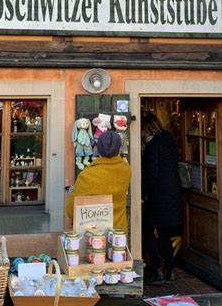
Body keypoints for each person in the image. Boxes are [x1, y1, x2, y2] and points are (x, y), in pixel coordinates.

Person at [141, 114, 182, 284]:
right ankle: (170, 270)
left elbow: (152, 174)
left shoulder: (152, 146)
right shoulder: (169, 141)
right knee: (165, 233)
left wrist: (143, 194)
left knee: (146, 230)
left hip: (158, 195)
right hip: (173, 192)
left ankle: (157, 269)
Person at [66, 130, 131, 233]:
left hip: (92, 236)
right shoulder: (126, 170)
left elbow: (71, 211)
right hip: (117, 234)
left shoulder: (87, 175)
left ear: (97, 149)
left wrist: (72, 192)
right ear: (119, 149)